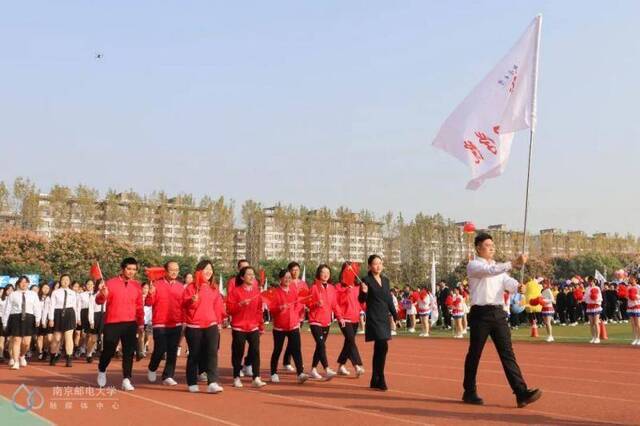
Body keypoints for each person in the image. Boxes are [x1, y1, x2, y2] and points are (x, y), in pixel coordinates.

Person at [462, 233, 541, 408]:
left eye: (493, 245)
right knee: (475, 354)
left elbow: (508, 282)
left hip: (498, 314)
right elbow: (490, 272)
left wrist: (518, 287)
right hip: (480, 314)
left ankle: (521, 393)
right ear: (478, 248)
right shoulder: (474, 265)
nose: (492, 248)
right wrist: (513, 263)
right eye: (488, 245)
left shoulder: (499, 268)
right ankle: (469, 391)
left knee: (507, 353)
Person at [96, 257, 144, 391]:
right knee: (109, 350)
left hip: (130, 323)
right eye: (129, 269)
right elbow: (99, 301)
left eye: (134, 269)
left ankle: (126, 379)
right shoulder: (110, 283)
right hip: (113, 322)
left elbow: (139, 306)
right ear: (123, 269)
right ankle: (102, 369)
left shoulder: (137, 285)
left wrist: (140, 323)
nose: (131, 272)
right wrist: (102, 294)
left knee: (129, 352)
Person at [182, 260, 225, 393]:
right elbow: (184, 305)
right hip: (194, 326)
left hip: (211, 325)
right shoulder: (191, 287)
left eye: (211, 269)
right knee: (195, 355)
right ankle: (192, 382)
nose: (209, 272)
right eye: (206, 269)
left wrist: (219, 321)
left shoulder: (214, 287)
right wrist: (192, 301)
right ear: (199, 271)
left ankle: (212, 382)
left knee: (212, 353)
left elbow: (218, 306)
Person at [358, 255, 397, 391]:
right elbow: (361, 300)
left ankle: (375, 378)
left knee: (380, 349)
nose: (378, 266)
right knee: (382, 345)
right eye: (375, 264)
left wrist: (395, 314)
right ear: (369, 266)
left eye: (380, 263)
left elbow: (389, 300)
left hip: (384, 318)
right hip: (374, 318)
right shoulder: (366, 280)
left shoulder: (385, 280)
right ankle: (380, 377)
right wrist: (364, 292)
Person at [226, 266, 267, 388]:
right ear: (242, 277)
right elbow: (229, 309)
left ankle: (256, 377)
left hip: (253, 326)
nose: (252, 276)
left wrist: (260, 325)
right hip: (239, 327)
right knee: (238, 352)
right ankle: (236, 377)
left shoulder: (256, 292)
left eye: (253, 274)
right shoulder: (235, 292)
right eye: (249, 274)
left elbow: (259, 310)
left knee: (255, 351)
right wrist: (240, 304)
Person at [145, 260, 184, 386]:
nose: (174, 272)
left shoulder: (180, 286)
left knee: (172, 350)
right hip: (160, 323)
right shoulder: (156, 284)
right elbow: (149, 303)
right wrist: (150, 294)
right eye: (172, 270)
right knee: (160, 349)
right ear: (165, 271)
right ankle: (152, 367)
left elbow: (184, 305)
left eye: (176, 270)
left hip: (176, 322)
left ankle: (168, 375)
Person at [268, 269, 309, 384]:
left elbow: (299, 304)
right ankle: (273, 373)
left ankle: (300, 373)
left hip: (293, 325)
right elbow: (271, 309)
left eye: (289, 278)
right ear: (280, 279)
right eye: (285, 278)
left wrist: (296, 314)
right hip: (280, 327)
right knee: (277, 350)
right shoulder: (275, 292)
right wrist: (279, 308)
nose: (287, 280)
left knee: (296, 350)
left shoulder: (294, 290)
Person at [307, 264, 344, 380]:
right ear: (319, 273)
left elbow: (335, 305)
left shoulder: (332, 288)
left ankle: (313, 369)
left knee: (320, 346)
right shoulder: (314, 288)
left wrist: (340, 317)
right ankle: (327, 368)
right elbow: (307, 304)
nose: (325, 274)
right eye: (323, 272)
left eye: (327, 272)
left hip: (326, 321)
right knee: (321, 345)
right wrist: (315, 304)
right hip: (315, 321)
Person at [2, 276, 40, 370]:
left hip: (29, 318)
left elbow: (37, 307)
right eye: (22, 282)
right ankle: (16, 361)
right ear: (18, 283)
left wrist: (38, 319)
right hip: (15, 317)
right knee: (16, 340)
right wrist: (4, 322)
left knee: (26, 343)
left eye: (26, 282)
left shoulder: (33, 294)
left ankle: (22, 355)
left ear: (28, 284)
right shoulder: (13, 294)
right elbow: (7, 309)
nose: (24, 284)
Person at [335, 262, 365, 377]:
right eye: (347, 270)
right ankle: (357, 365)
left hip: (355, 318)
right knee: (351, 340)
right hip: (344, 319)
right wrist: (345, 293)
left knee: (348, 342)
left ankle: (341, 366)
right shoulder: (339, 287)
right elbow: (336, 303)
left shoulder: (358, 287)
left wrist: (365, 292)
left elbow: (362, 303)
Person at [48, 274, 80, 367]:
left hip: (70, 313)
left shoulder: (73, 293)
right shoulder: (55, 292)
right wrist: (51, 319)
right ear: (60, 281)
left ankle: (69, 358)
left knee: (68, 336)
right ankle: (53, 356)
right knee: (57, 338)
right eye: (63, 280)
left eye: (67, 280)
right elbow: (52, 306)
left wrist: (77, 318)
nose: (65, 281)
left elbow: (75, 306)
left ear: (69, 282)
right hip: (58, 313)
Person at [282, 261, 308, 372]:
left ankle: (287, 361)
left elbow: (307, 296)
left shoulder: (303, 284)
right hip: (289, 315)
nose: (295, 272)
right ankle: (289, 362)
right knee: (293, 341)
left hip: (300, 314)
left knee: (293, 341)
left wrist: (307, 305)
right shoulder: (288, 283)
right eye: (293, 270)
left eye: (297, 270)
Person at [86, 279, 106, 363]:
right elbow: (90, 309)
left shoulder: (107, 294)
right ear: (97, 285)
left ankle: (103, 353)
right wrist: (91, 321)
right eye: (100, 283)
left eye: (103, 283)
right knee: (93, 339)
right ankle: (89, 353)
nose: (102, 285)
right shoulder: (93, 295)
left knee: (104, 337)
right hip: (96, 315)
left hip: (105, 315)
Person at [36, 282, 53, 361]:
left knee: (49, 338)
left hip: (48, 319)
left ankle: (46, 350)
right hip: (39, 318)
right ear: (41, 289)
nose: (46, 290)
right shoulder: (37, 298)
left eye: (47, 288)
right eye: (44, 288)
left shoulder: (51, 298)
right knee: (40, 337)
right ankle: (40, 352)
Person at [583, 278, 603, 344]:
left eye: (591, 281)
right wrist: (581, 299)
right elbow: (585, 297)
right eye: (589, 281)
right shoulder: (587, 288)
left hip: (596, 306)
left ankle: (597, 337)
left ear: (594, 281)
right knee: (591, 323)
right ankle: (593, 337)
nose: (590, 282)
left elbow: (600, 297)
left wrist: (595, 299)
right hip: (589, 306)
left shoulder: (597, 288)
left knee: (596, 322)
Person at [627, 276, 640, 345]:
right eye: (630, 279)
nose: (631, 280)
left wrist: (635, 296)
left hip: (637, 306)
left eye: (632, 279)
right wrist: (628, 296)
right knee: (633, 324)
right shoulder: (628, 287)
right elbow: (627, 296)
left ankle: (639, 338)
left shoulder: (638, 287)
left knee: (638, 324)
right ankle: (635, 338)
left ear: (636, 280)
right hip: (630, 306)